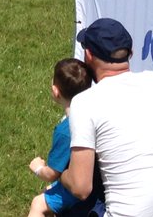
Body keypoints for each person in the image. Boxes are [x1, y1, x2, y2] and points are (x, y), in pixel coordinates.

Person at [60, 18, 153, 217]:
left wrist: (61, 175)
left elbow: (81, 188)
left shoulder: (84, 103)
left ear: (88, 55)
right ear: (130, 54)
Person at [26, 58, 96, 217]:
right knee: (50, 192)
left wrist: (38, 168)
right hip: (95, 181)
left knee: (38, 203)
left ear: (55, 91)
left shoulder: (66, 130)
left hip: (78, 187)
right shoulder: (94, 115)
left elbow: (52, 173)